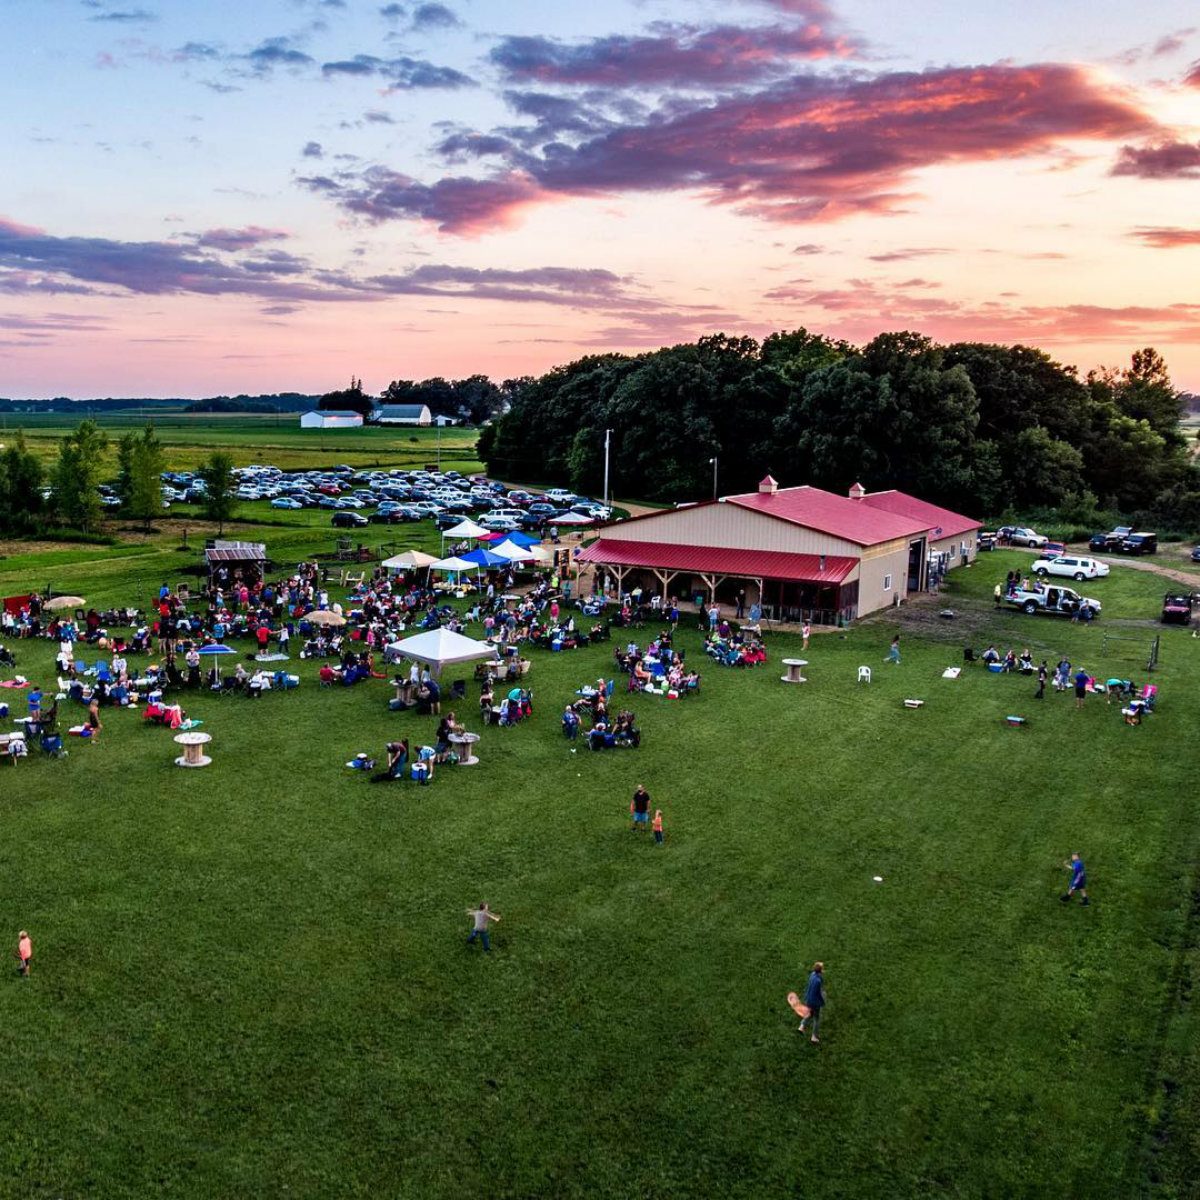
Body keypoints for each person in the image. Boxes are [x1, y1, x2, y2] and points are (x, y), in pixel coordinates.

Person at [797, 961, 826, 1043]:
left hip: (808, 1000)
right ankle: (814, 1036)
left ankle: (801, 1026)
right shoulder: (818, 981)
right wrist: (822, 1001)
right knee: (817, 1018)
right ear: (821, 970)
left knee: (809, 1014)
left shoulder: (812, 975)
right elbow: (818, 994)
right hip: (814, 1002)